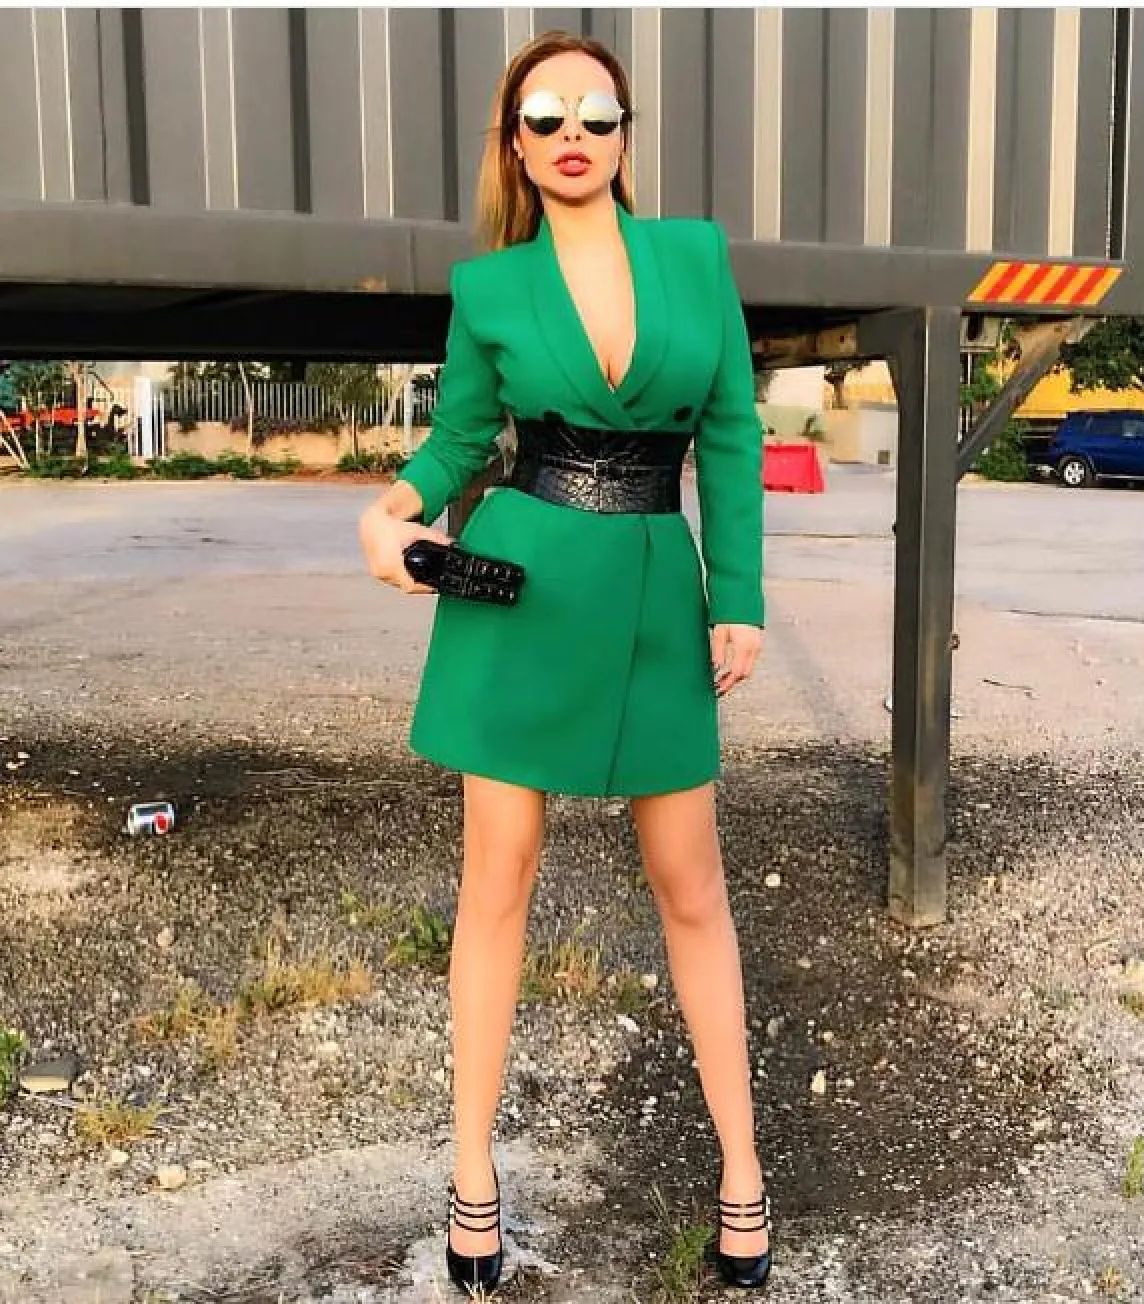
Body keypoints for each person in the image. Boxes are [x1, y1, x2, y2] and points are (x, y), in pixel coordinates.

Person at [358, 29, 769, 1296]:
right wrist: (394, 509)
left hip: (653, 591)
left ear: (626, 133)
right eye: (546, 117)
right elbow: (459, 441)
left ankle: (743, 1169)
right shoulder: (489, 287)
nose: (573, 132)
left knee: (691, 883)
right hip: (522, 583)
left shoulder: (695, 256)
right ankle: (472, 1172)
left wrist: (739, 595)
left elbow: (732, 433)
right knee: (498, 880)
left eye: (595, 111)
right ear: (518, 145)